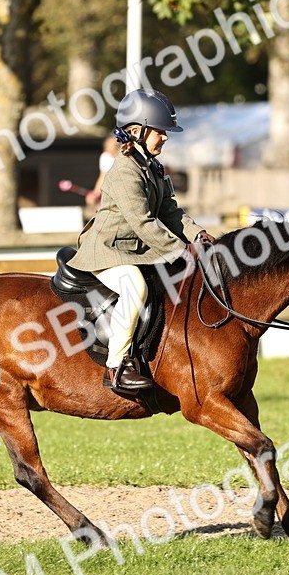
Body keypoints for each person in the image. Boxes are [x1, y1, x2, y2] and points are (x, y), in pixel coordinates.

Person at [68, 89, 214, 393]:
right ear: (137, 131)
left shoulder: (151, 166)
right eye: (160, 131)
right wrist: (181, 251)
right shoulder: (124, 171)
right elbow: (144, 222)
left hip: (134, 251)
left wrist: (197, 235)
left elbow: (169, 211)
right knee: (136, 288)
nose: (165, 137)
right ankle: (116, 368)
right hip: (107, 252)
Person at [85, 135, 119, 208]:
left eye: (112, 149)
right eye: (107, 149)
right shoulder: (105, 156)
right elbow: (102, 177)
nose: (109, 152)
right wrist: (95, 193)